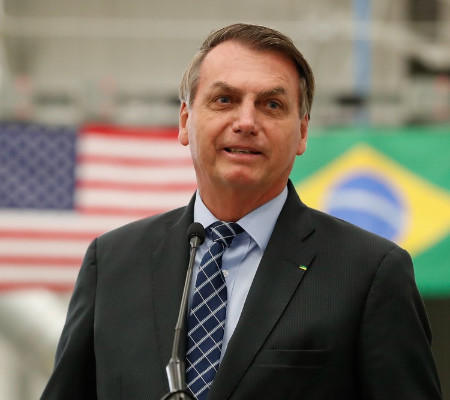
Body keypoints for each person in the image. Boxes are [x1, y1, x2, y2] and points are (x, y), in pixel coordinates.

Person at [41, 23, 442, 400]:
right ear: (185, 121)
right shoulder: (111, 263)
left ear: (302, 131)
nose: (246, 122)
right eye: (224, 100)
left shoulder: (371, 273)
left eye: (271, 104)